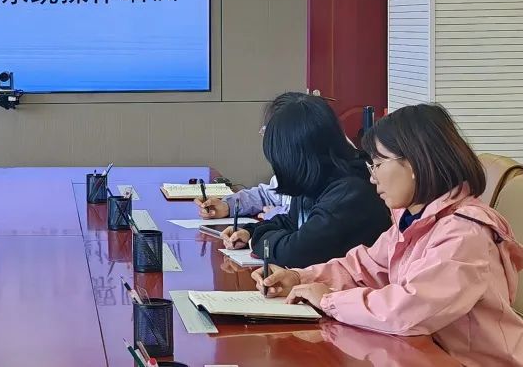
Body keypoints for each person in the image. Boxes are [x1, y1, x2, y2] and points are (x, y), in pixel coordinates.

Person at [254, 104, 523, 366]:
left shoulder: (464, 233)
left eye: (378, 164)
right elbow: (363, 267)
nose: (372, 178)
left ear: (415, 163)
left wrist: (327, 299)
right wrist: (300, 278)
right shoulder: (413, 220)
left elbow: (409, 309)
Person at [220, 92, 390, 267]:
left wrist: (257, 241)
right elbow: (292, 223)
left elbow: (296, 252)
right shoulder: (316, 177)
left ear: (291, 155)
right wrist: (250, 231)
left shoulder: (350, 192)